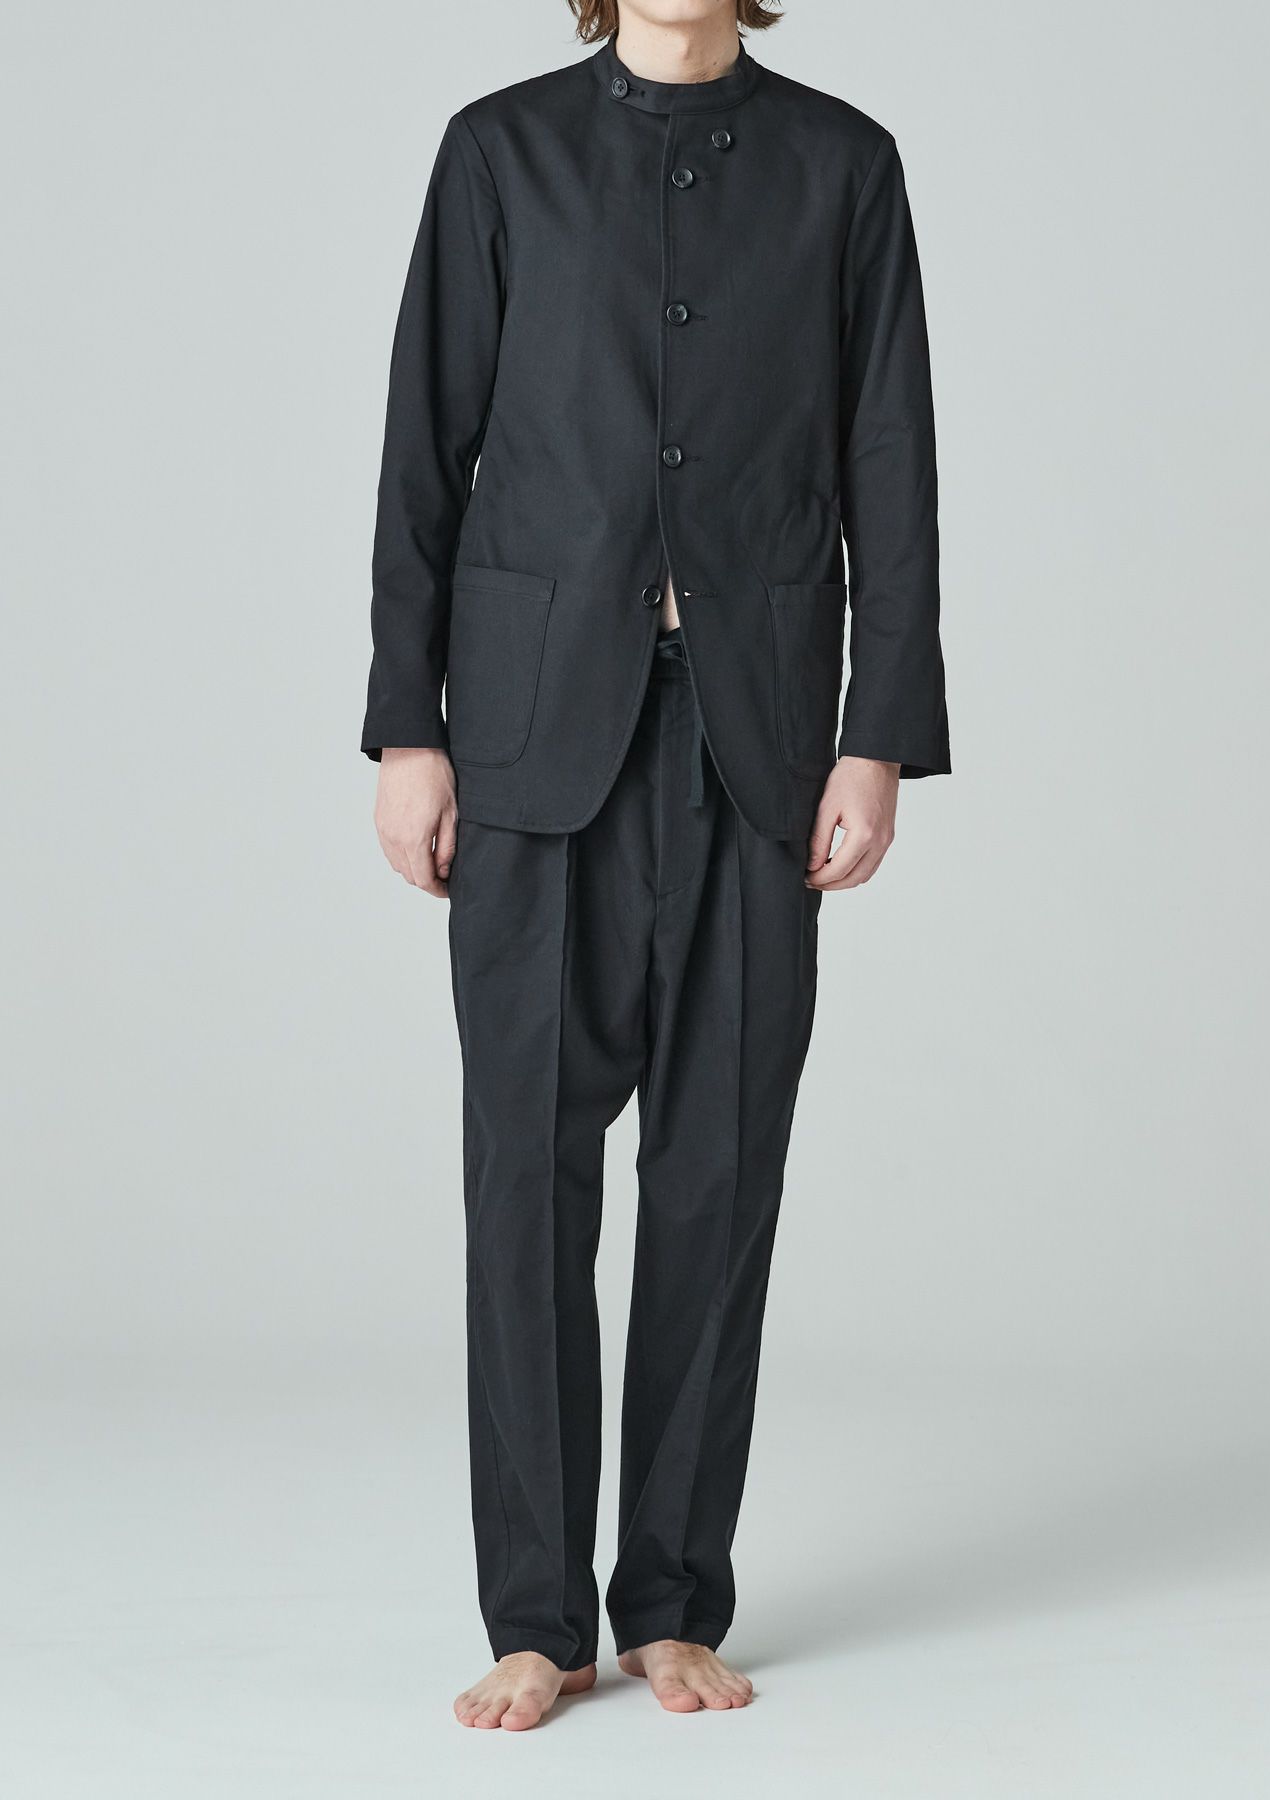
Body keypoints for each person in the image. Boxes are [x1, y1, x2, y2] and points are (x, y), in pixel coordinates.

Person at [362, 0, 948, 1732]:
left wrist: (877, 734)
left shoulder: (845, 167)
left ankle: (674, 1602)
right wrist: (408, 726)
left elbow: (892, 456)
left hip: (758, 739)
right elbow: (423, 448)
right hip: (537, 731)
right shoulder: (501, 153)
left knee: (720, 1175)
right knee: (525, 1180)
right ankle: (537, 1618)